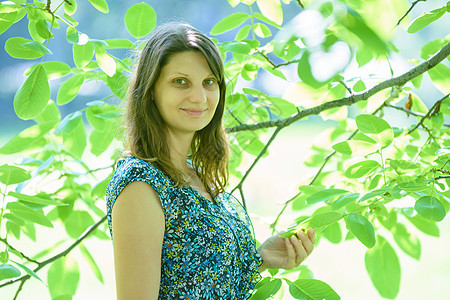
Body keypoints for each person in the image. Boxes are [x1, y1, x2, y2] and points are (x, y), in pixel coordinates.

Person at [106, 22, 316, 300]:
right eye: (180, 81)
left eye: (209, 82)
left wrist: (259, 260)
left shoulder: (195, 176)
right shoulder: (141, 184)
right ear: (151, 91)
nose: (199, 97)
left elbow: (203, 281)